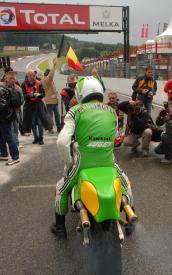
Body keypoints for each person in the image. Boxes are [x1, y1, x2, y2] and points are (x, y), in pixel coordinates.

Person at [51, 76, 137, 238]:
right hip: (108, 161)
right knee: (126, 183)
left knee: (61, 189)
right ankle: (131, 222)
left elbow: (62, 142)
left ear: (80, 93)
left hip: (83, 162)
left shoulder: (75, 111)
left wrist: (69, 163)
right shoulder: (112, 112)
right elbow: (115, 138)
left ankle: (60, 228)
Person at [21, 69, 52, 145]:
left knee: (40, 122)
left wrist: (38, 95)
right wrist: (29, 95)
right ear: (27, 76)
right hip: (29, 105)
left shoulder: (38, 83)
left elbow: (43, 94)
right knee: (32, 123)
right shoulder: (23, 84)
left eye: (33, 75)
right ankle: (36, 137)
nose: (32, 77)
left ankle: (41, 138)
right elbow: (22, 96)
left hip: (38, 104)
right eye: (30, 75)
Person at [0, 72, 23, 165]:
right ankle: (4, 154)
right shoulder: (15, 88)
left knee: (9, 137)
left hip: (5, 117)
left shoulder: (4, 89)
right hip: (8, 116)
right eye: (10, 79)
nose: (11, 80)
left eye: (12, 79)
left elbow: (2, 105)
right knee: (1, 136)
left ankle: (15, 157)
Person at [42, 58, 61, 133]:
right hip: (50, 101)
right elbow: (51, 75)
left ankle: (58, 127)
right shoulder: (46, 80)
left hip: (53, 100)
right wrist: (54, 66)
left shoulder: (48, 80)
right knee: (50, 115)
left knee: (56, 115)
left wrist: (56, 95)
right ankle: (50, 128)